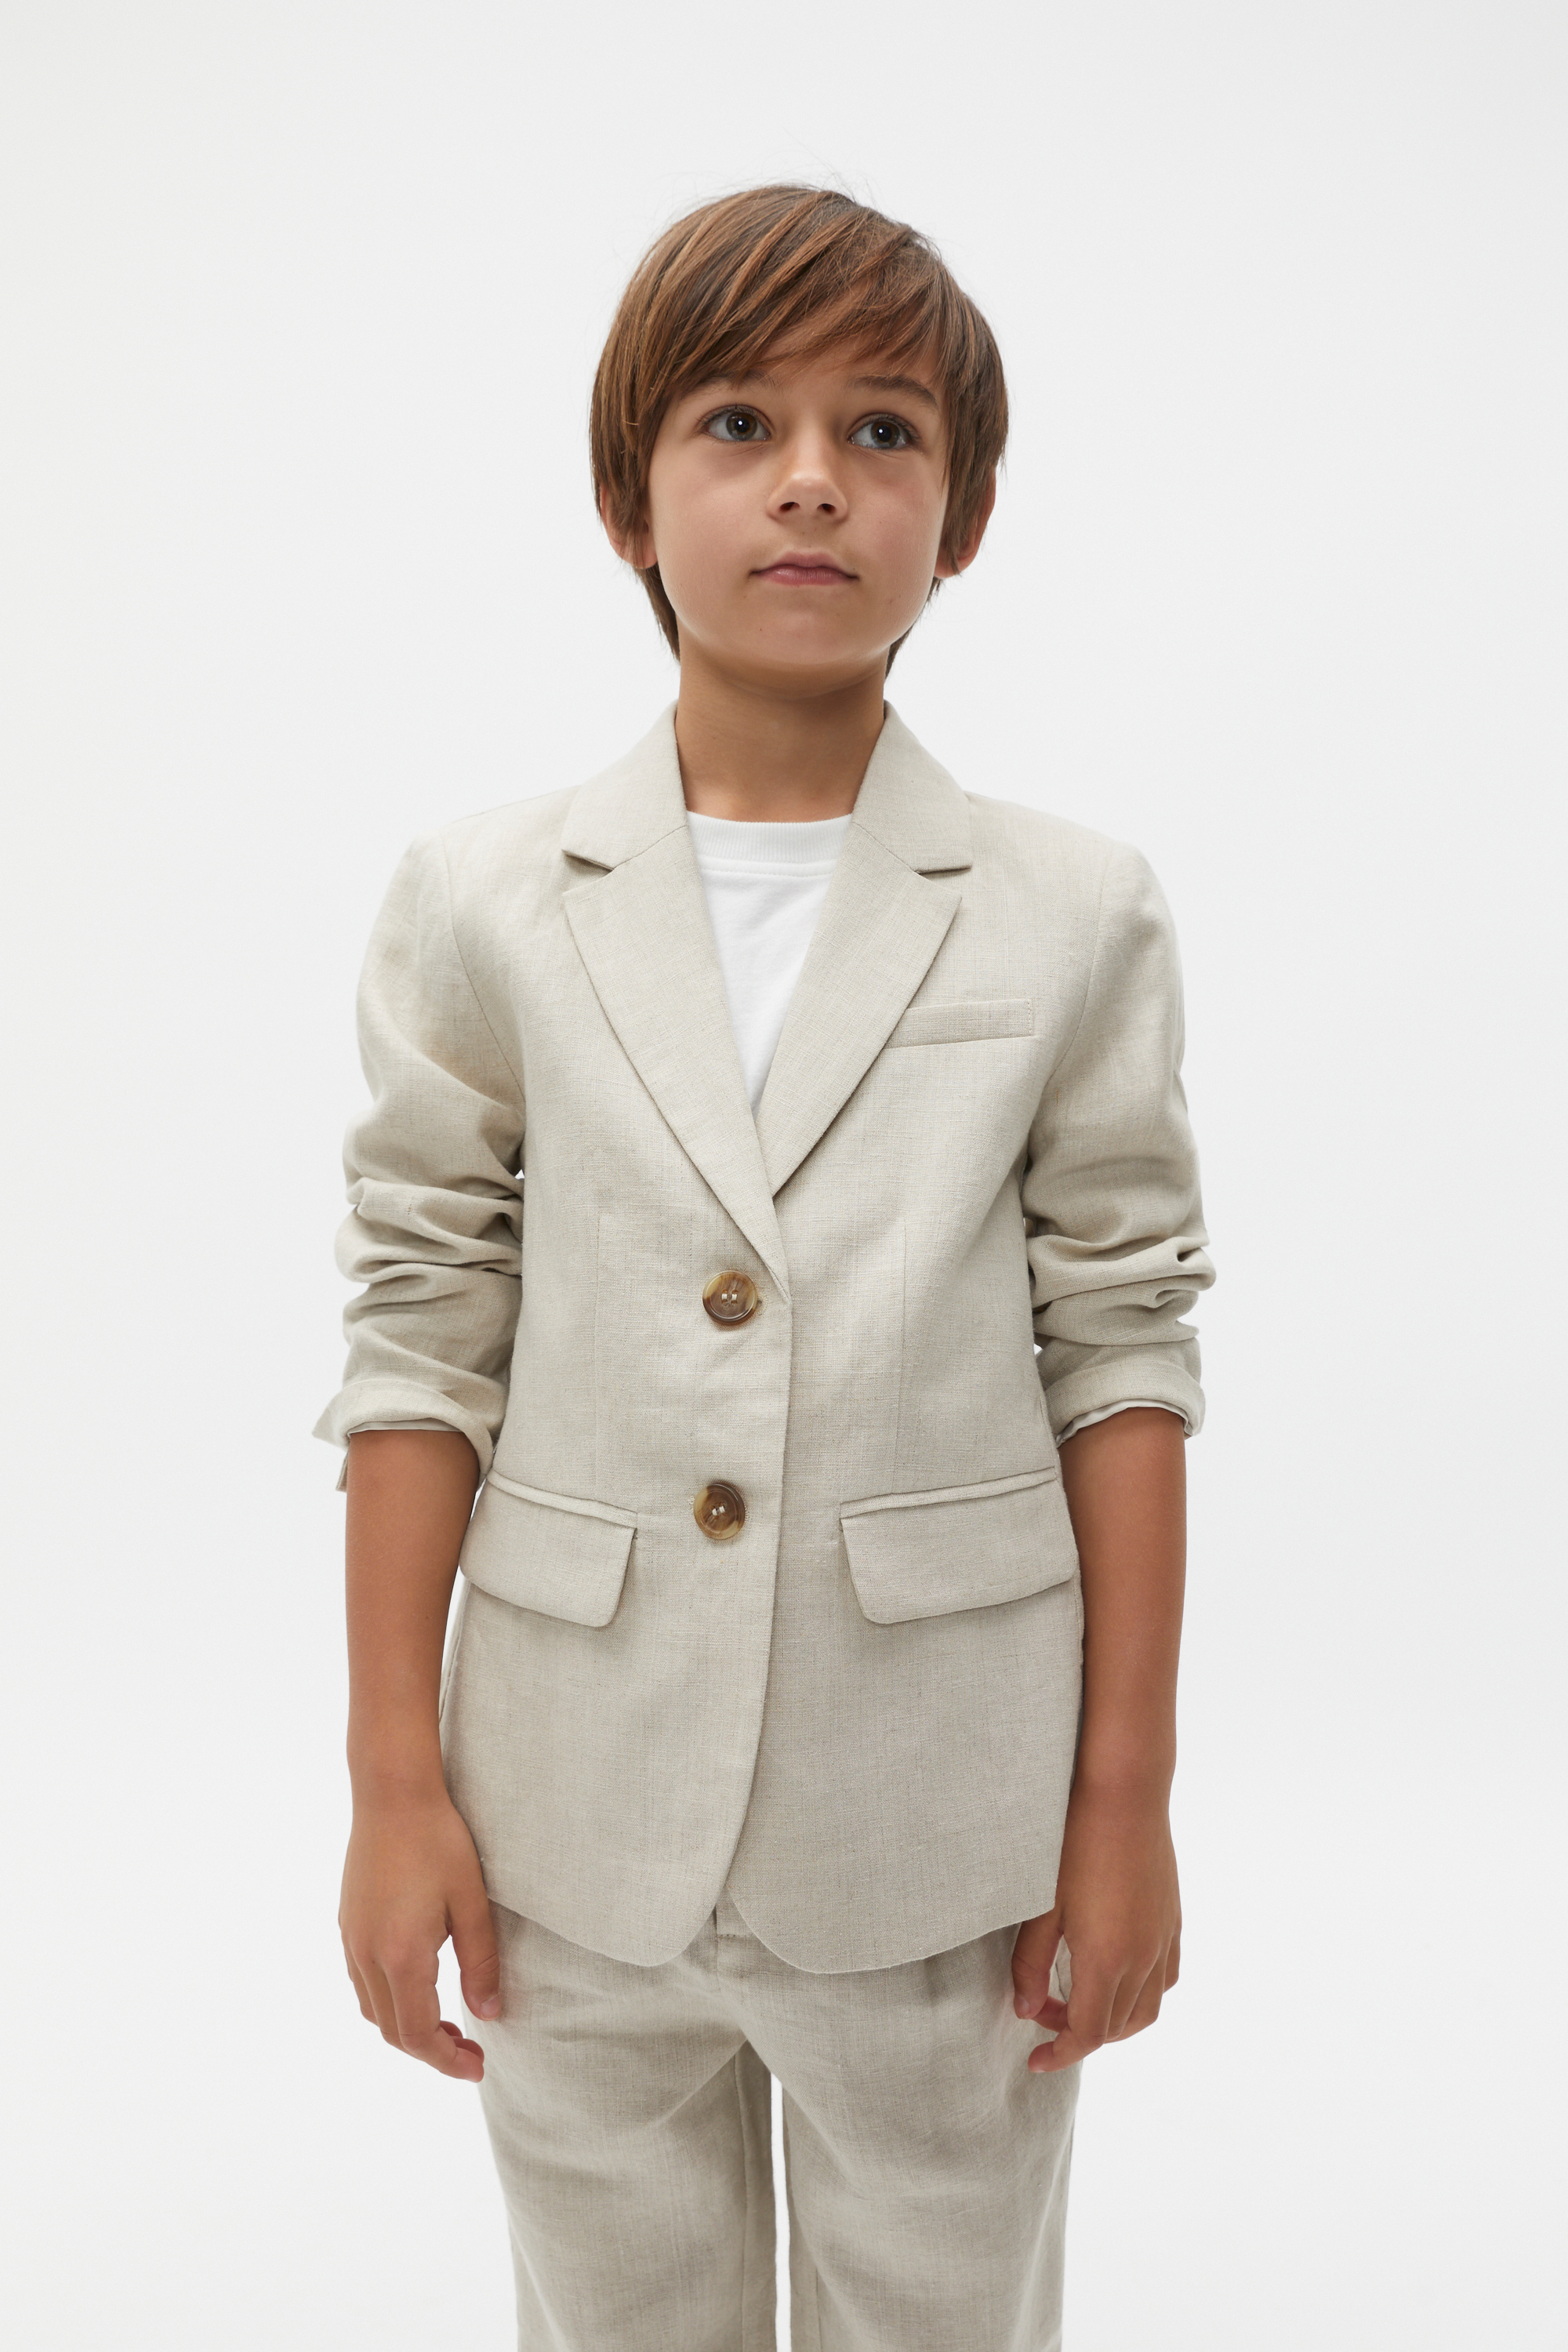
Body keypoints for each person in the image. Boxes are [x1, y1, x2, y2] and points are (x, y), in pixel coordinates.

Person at [318, 181, 1214, 2352]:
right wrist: (392, 1786)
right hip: (569, 1817)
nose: (813, 477)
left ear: (962, 519)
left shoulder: (1072, 912)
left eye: (883, 430)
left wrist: (1123, 1808)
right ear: (628, 500)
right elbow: (422, 1339)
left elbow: (1122, 1350)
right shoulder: (483, 900)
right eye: (739, 421)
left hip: (943, 1828)